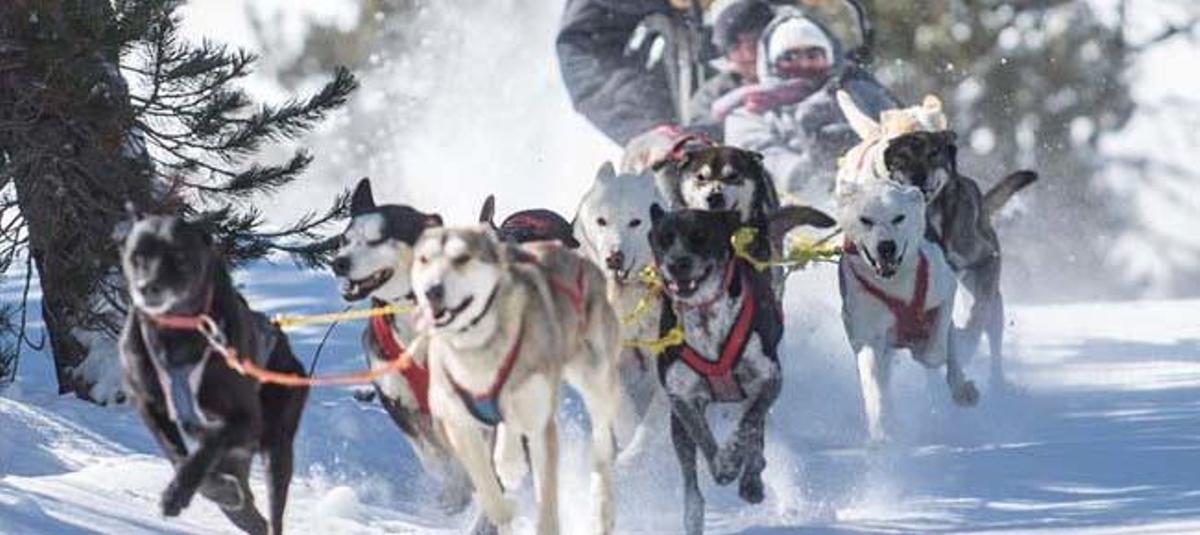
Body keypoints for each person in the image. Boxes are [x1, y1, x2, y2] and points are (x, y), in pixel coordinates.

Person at [724, 7, 896, 207]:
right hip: (797, 219)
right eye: (790, 57)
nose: (803, 64)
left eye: (813, 55)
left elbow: (899, 135)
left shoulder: (861, 94)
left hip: (878, 205)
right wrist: (819, 169)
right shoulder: (749, 114)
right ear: (771, 63)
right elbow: (768, 165)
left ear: (829, 58)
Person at [685, 0, 775, 140]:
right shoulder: (713, 94)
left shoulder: (806, 75)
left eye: (754, 42)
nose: (749, 54)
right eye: (736, 47)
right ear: (727, 54)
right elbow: (699, 137)